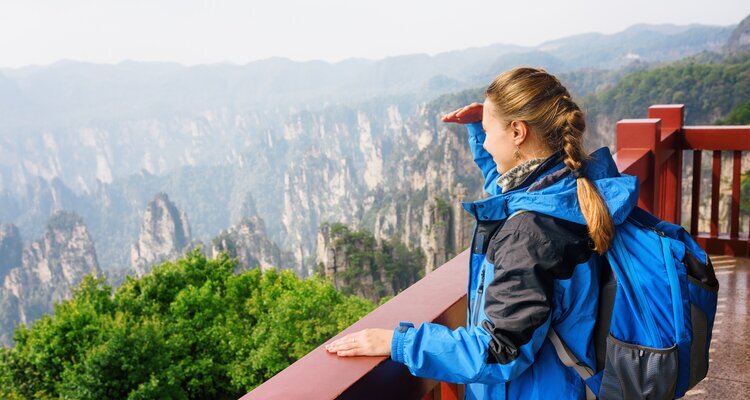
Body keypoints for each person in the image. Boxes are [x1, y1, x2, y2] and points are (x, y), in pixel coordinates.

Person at [325, 67, 638, 399]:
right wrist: (479, 128)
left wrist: (398, 342)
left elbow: (498, 350)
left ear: (518, 131)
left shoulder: (529, 236)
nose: (487, 142)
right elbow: (514, 193)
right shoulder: (573, 187)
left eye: (489, 132)